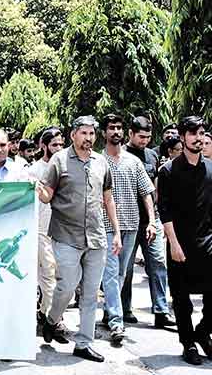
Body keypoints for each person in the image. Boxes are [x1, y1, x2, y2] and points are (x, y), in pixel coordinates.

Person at [37, 115, 122, 362]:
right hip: (66, 235)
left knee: (90, 293)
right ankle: (52, 319)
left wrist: (116, 232)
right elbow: (47, 195)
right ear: (73, 135)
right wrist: (38, 189)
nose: (88, 138)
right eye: (83, 133)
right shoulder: (59, 160)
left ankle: (84, 343)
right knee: (67, 286)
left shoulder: (101, 163)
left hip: (96, 237)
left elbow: (108, 200)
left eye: (91, 133)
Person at [157, 116, 212, 365]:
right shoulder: (169, 171)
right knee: (181, 299)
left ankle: (203, 332)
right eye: (193, 133)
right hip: (179, 244)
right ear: (182, 137)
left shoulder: (210, 169)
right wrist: (174, 244)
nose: (198, 138)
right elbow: (165, 210)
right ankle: (188, 343)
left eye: (201, 133)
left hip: (208, 243)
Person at [99, 114, 156, 344]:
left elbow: (146, 192)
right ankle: (116, 322)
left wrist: (152, 220)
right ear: (104, 132)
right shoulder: (97, 161)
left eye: (119, 128)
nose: (116, 132)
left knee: (121, 273)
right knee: (111, 273)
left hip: (131, 224)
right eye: (111, 128)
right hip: (106, 226)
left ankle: (109, 311)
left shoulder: (133, 162)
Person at [123, 116, 175, 328]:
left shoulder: (152, 155)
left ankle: (161, 310)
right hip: (127, 221)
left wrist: (157, 214)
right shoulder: (121, 155)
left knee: (158, 263)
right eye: (140, 137)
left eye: (147, 137)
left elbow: (155, 187)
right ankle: (124, 309)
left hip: (151, 220)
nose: (144, 141)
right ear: (130, 134)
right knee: (125, 269)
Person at [27, 127, 64, 324]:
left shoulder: (66, 168)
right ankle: (52, 318)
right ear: (44, 146)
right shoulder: (34, 171)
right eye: (54, 145)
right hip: (42, 229)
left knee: (60, 275)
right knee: (48, 272)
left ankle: (45, 312)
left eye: (61, 145)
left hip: (64, 230)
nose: (58, 148)